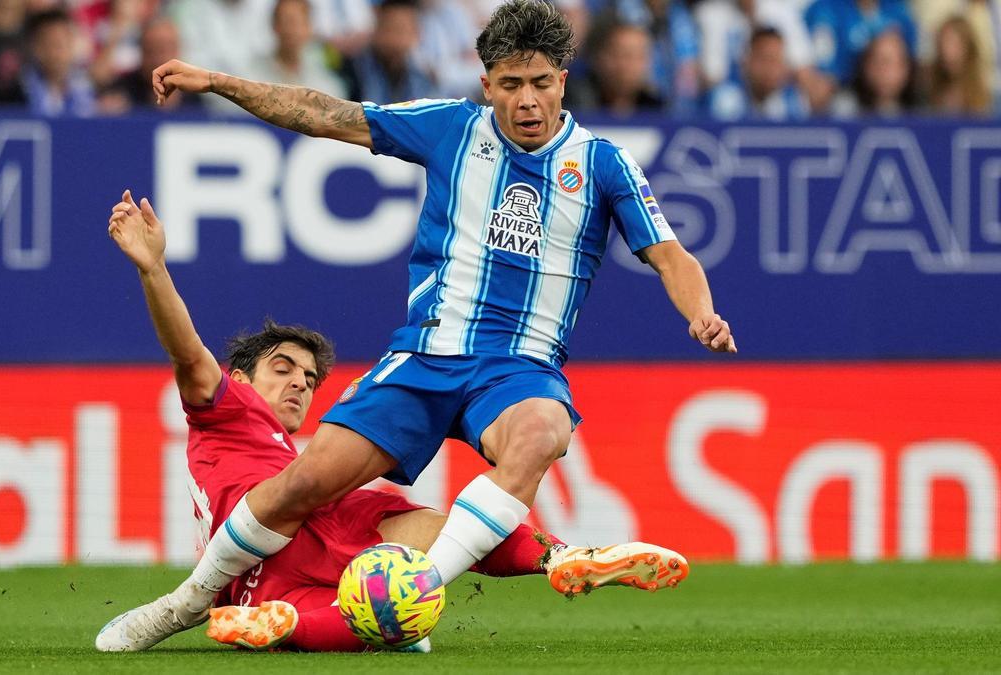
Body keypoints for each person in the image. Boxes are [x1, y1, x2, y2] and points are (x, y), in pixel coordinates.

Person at [98, 0, 733, 652]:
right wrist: (220, 82)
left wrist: (701, 312)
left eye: (541, 82)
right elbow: (327, 115)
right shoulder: (452, 128)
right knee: (304, 484)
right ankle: (185, 602)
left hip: (518, 367)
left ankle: (416, 587)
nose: (527, 100)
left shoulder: (604, 164)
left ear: (563, 81)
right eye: (511, 84)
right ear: (487, 85)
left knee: (545, 428)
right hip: (425, 357)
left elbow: (669, 254)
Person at [97, 189, 689, 652]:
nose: (300, 383)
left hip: (322, 518)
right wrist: (153, 269)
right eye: (284, 368)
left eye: (309, 377)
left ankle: (561, 557)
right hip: (262, 557)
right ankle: (240, 614)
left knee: (436, 542)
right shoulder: (225, 410)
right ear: (242, 376)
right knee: (376, 618)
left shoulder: (288, 446)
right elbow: (187, 352)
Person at [707, 26, 809, 121]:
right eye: (764, 59)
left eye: (776, 61)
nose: (770, 69)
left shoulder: (793, 102)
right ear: (747, 61)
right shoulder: (726, 98)